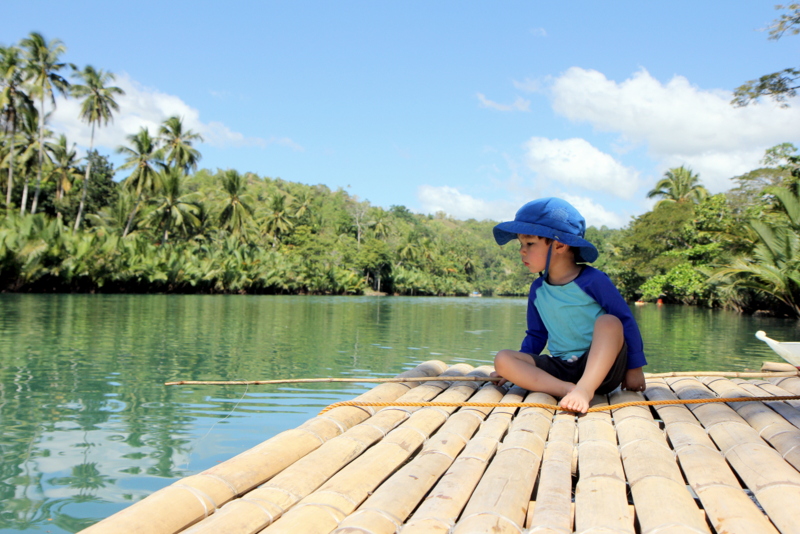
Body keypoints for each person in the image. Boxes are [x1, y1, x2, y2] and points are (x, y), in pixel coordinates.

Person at [490, 197, 647, 413]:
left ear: (560, 245)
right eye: (520, 244)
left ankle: (585, 389)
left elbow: (626, 321)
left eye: (529, 244)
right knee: (503, 359)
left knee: (610, 322)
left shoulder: (594, 280)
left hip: (603, 370)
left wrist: (634, 367)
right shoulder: (538, 289)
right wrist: (515, 368)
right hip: (562, 369)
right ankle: (568, 389)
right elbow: (536, 335)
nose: (522, 251)